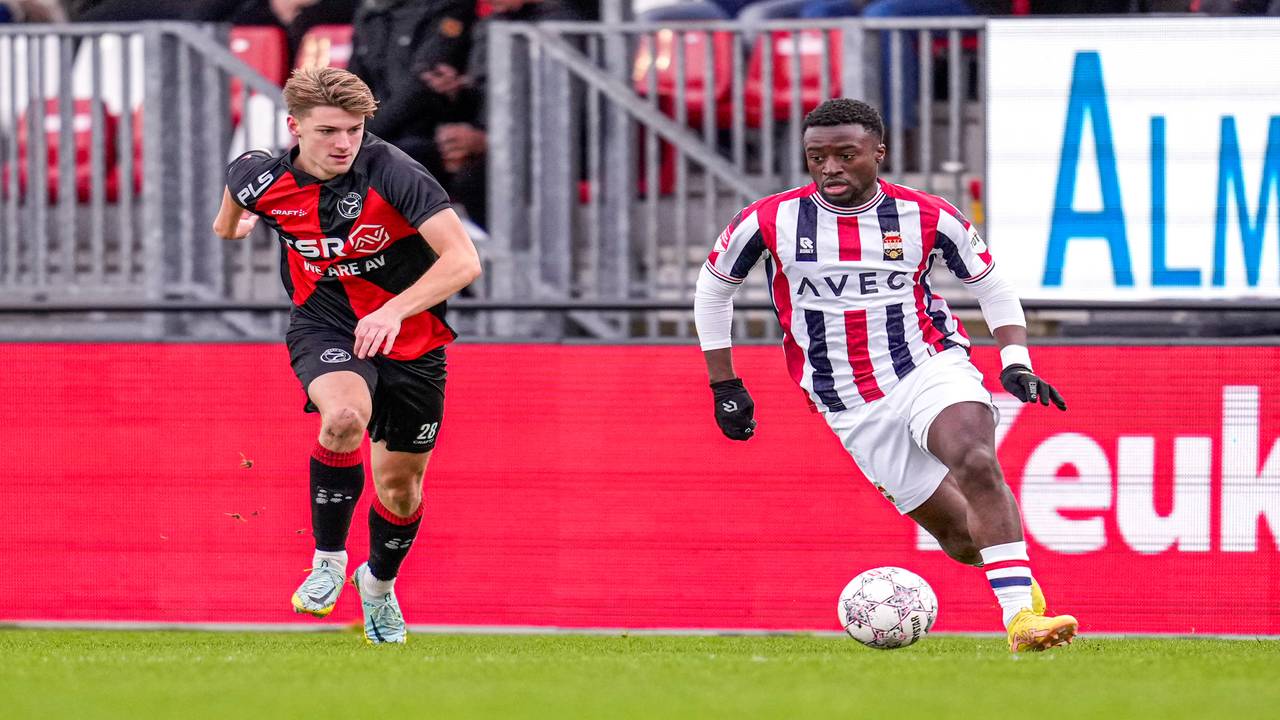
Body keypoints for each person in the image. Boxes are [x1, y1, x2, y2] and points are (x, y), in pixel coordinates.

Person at [693, 98, 1076, 652]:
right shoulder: (770, 219)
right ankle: (1015, 581)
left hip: (927, 364)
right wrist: (724, 384)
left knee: (974, 457)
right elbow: (713, 290)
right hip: (846, 398)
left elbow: (991, 285)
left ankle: (1020, 621)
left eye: (845, 155)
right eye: (816, 157)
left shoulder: (927, 215)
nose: (830, 168)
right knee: (961, 538)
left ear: (878, 152)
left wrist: (1015, 360)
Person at [211, 66, 482, 645]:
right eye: (329, 130)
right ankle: (328, 561)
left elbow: (464, 261)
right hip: (325, 322)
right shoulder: (260, 175)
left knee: (400, 490)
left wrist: (392, 312)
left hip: (411, 337)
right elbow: (230, 213)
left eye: (354, 130)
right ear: (295, 126)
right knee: (342, 417)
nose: (343, 143)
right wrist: (236, 225)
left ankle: (377, 586)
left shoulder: (395, 172)